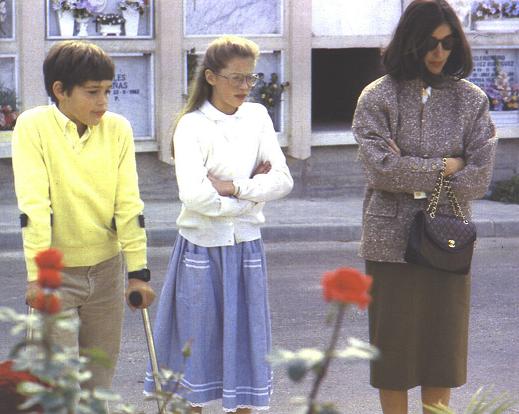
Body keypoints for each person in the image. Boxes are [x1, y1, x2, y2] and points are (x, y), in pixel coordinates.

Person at [352, 1, 497, 413]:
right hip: (390, 242)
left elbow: (478, 178)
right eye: (430, 42)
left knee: (441, 352)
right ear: (410, 42)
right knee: (393, 355)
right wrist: (448, 165)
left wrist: (410, 168)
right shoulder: (377, 96)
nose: (439, 52)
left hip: (449, 238)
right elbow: (381, 170)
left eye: (448, 43)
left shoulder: (471, 100)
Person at [143, 35, 293, 413]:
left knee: (246, 345)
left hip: (246, 248)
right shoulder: (191, 126)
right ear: (211, 77)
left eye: (250, 78)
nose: (245, 86)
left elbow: (283, 181)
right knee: (196, 347)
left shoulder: (257, 117)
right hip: (201, 249)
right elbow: (194, 195)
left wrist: (233, 187)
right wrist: (252, 196)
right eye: (235, 78)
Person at [11, 40, 156, 391]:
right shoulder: (33, 126)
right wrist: (37, 277)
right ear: (60, 90)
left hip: (106, 271)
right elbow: (34, 206)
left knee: (98, 382)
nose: (103, 102)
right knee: (60, 386)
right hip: (56, 274)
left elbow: (128, 204)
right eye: (92, 92)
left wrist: (138, 273)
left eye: (107, 91)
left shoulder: (117, 128)